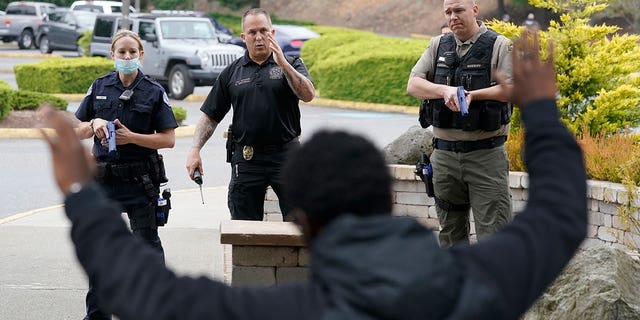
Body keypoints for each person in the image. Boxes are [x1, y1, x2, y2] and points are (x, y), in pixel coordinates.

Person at [42, 30, 588, 319]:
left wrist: (78, 192)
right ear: (385, 198)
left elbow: (147, 292)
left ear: (301, 221)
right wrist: (539, 109)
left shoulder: (284, 309)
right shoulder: (482, 284)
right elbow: (561, 214)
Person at [73, 29, 178, 320]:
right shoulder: (99, 86)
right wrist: (94, 122)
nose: (128, 57)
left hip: (140, 183)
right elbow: (77, 129)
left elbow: (168, 139)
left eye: (133, 52)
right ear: (113, 55)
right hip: (103, 183)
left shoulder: (154, 91)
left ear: (141, 54)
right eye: (122, 52)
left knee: (147, 252)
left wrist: (133, 138)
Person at [185, 8, 315, 221]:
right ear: (244, 37)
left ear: (272, 33)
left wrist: (282, 64)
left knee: (300, 222)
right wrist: (194, 150)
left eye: (264, 31)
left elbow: (308, 95)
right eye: (252, 32)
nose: (259, 37)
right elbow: (210, 116)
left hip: (287, 156)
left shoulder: (292, 64)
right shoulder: (232, 72)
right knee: (243, 226)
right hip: (247, 158)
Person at [406, 0, 514, 247]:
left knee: (494, 236)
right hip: (444, 157)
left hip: (485, 156)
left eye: (459, 10)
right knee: (450, 238)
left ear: (475, 10)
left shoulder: (500, 46)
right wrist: (444, 90)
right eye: (448, 12)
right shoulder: (437, 46)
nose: (453, 17)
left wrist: (475, 95)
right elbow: (413, 84)